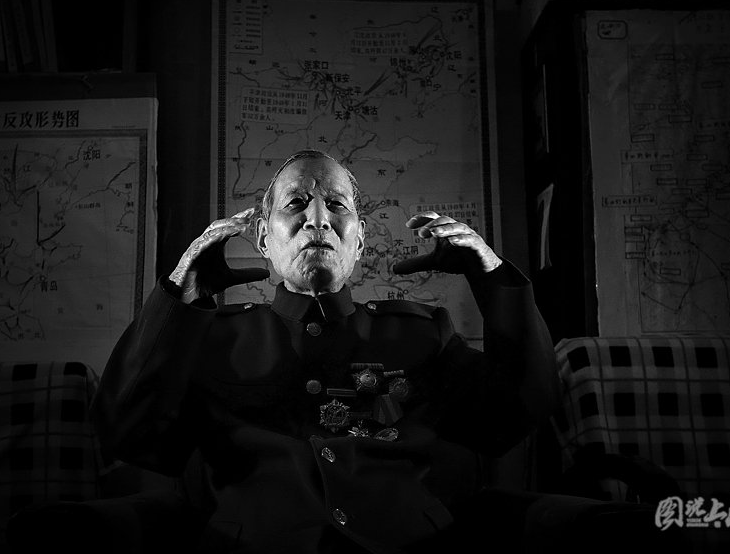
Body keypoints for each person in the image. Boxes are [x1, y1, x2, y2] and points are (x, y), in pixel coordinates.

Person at [85, 149, 568, 554]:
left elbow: (517, 411)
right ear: (263, 238)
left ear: (360, 240)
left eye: (336, 204)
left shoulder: (420, 335)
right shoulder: (213, 339)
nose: (317, 219)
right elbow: (127, 434)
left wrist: (491, 278)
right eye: (296, 203)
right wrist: (180, 295)